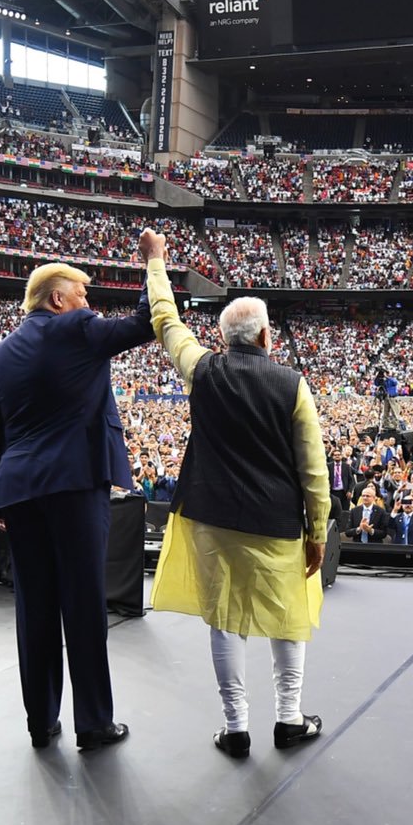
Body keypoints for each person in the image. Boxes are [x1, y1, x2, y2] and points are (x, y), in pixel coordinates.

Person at [139, 231, 328, 758]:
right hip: (276, 520)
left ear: (224, 339)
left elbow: (167, 324)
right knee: (287, 613)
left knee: (223, 619)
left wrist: (157, 264)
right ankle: (289, 718)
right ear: (267, 337)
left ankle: (236, 726)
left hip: (212, 516)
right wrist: (316, 533)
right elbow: (313, 470)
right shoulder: (292, 384)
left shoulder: (201, 369)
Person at [0, 258, 152, 752]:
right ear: (58, 300)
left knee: (34, 607)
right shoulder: (76, 328)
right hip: (74, 484)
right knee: (82, 602)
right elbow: (143, 323)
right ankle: (94, 723)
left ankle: (41, 722)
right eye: (82, 295)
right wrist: (154, 262)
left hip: (20, 491)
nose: (89, 305)